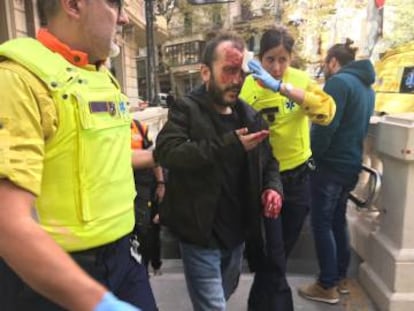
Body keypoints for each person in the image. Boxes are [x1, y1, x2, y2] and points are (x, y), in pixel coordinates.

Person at [0, 0, 158, 310]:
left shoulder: (100, 77)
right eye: (114, 4)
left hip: (125, 258)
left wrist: (159, 157)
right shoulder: (17, 81)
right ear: (73, 5)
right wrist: (98, 303)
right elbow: (7, 223)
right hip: (53, 280)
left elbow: (96, 161)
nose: (124, 18)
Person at [154, 32, 293, 311]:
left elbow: (269, 162)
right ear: (206, 72)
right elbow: (168, 152)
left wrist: (272, 188)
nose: (236, 80)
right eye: (228, 71)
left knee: (224, 293)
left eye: (240, 72)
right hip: (200, 234)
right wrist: (229, 144)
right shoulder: (186, 109)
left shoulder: (249, 115)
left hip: (237, 235)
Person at [240, 26, 336, 258]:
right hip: (268, 178)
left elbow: (327, 112)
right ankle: (272, 287)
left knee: (287, 244)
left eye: (283, 60)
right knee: (273, 248)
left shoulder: (301, 80)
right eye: (270, 59)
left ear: (291, 59)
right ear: (260, 57)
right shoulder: (248, 86)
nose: (276, 67)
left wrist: (283, 89)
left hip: (299, 176)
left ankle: (269, 288)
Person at [298, 39, 375, 304]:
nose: (325, 69)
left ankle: (326, 285)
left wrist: (312, 158)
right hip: (351, 165)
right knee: (337, 221)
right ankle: (340, 277)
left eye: (325, 64)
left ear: (333, 62)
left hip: (330, 166)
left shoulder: (338, 83)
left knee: (321, 223)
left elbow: (324, 126)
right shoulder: (367, 88)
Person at [131, 119, 164, 275]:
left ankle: (144, 267)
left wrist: (160, 182)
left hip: (142, 184)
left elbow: (154, 158)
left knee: (144, 227)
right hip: (120, 182)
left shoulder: (138, 127)